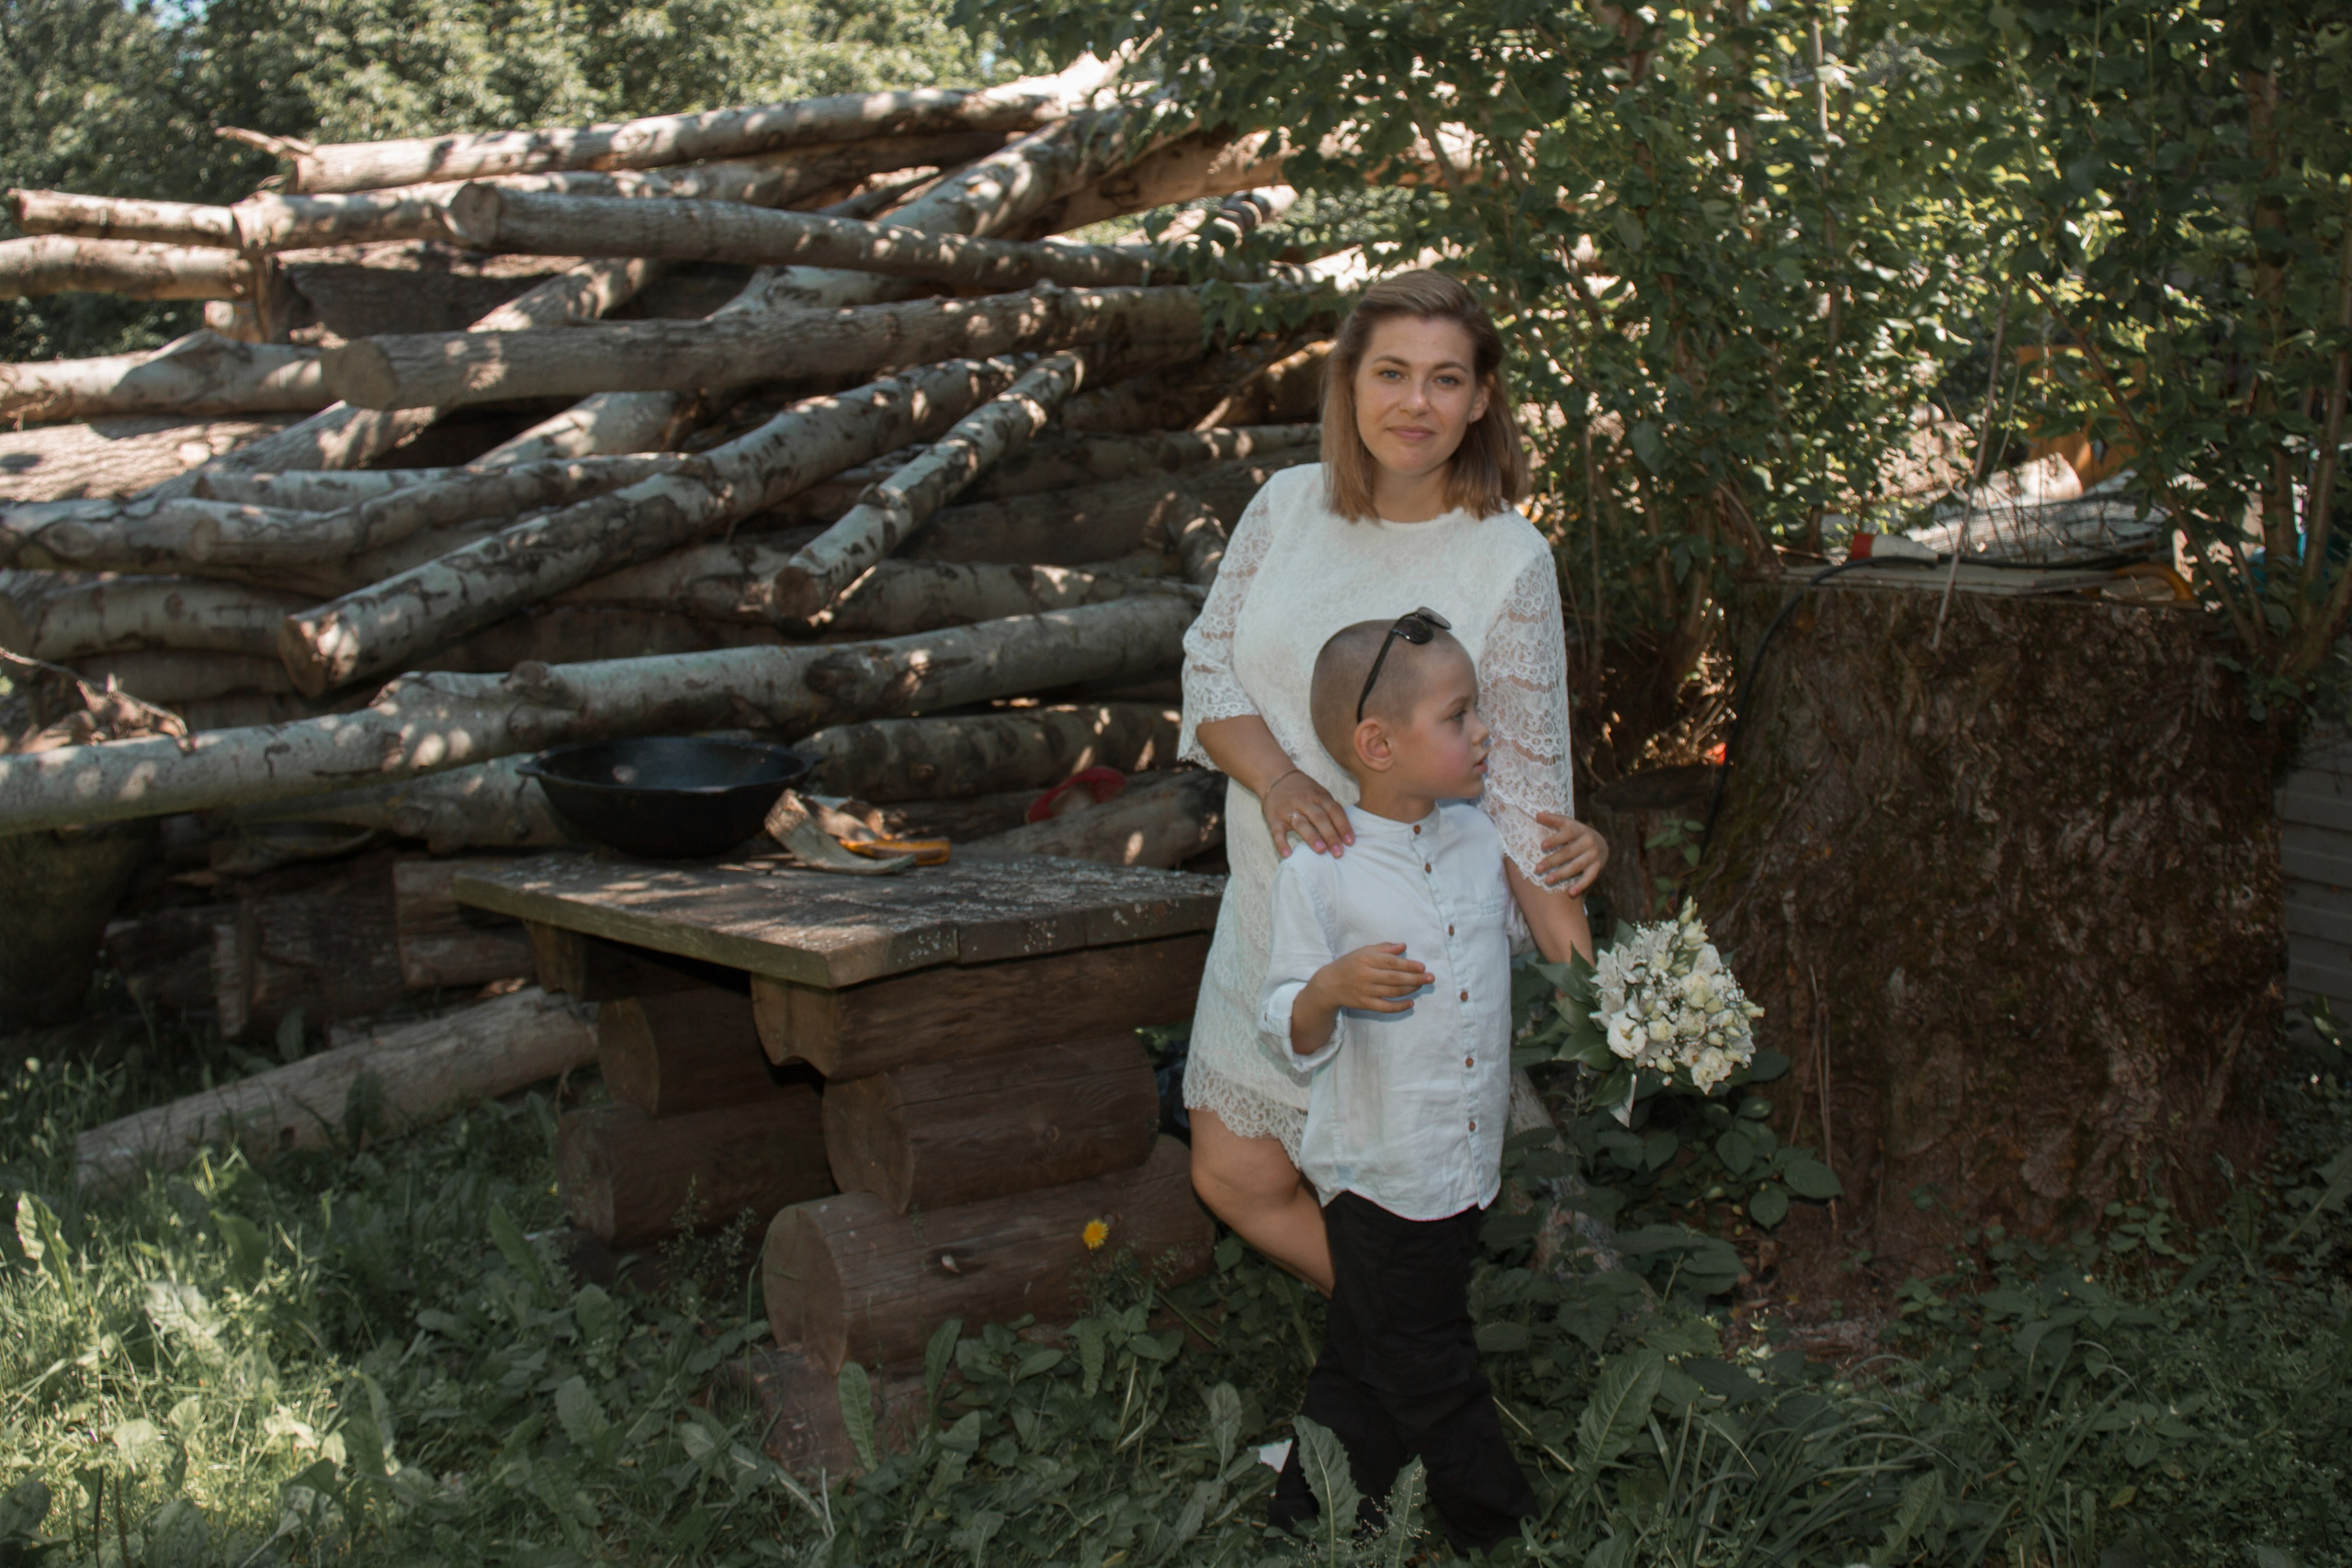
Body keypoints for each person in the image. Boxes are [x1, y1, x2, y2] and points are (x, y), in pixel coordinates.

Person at [1179, 268, 1606, 1293]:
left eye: (1446, 379)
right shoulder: (1285, 505)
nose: (1416, 403)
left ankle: (1412, 1372)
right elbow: (1207, 668)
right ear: (1349, 382)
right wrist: (1280, 782)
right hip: (1270, 908)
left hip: (1403, 954)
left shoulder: (1507, 558)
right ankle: (1412, 1362)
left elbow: (1524, 788)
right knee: (1233, 1173)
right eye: (1392, 373)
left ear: (1482, 397)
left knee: (1399, 1205)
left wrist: (1602, 997)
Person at [1259, 615, 1589, 1550]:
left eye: (1478, 708)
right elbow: (1281, 1014)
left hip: (1463, 1158)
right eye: (1459, 715)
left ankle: (1307, 1511)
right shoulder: (1321, 872)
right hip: (1381, 1169)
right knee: (1430, 1363)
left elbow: (1515, 946)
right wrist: (1327, 989)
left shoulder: (1478, 842)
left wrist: (1584, 857)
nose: (1484, 730)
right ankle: (1501, 1528)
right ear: (1377, 745)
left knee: (1365, 1354)